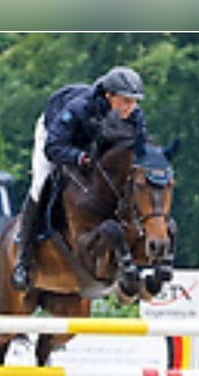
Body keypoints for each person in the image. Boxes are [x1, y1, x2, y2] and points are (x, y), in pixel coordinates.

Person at [11, 66, 148, 291]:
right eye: (125, 101)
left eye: (134, 101)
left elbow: (139, 153)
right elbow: (53, 147)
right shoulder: (80, 108)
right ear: (108, 96)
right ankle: (23, 258)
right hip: (56, 137)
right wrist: (79, 158)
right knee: (41, 182)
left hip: (95, 149)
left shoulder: (135, 117)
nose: (129, 107)